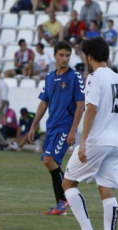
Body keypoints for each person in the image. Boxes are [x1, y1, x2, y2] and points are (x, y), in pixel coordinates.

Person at [62, 37, 118, 230]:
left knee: (68, 183)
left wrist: (83, 142)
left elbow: (91, 109)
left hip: (97, 141)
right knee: (107, 189)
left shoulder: (94, 77)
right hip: (116, 143)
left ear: (89, 56)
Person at [28, 40, 85, 215]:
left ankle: (64, 200)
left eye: (67, 55)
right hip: (51, 127)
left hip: (64, 127)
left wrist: (73, 130)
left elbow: (81, 104)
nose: (64, 59)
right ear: (54, 56)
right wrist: (33, 125)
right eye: (61, 55)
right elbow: (43, 102)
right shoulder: (49, 77)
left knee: (48, 160)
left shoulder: (75, 77)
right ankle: (61, 203)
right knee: (52, 163)